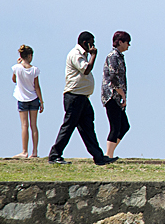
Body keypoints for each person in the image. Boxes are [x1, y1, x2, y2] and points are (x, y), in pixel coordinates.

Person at [48, 32, 118, 165]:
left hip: (82, 97)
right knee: (69, 126)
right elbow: (85, 70)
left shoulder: (82, 55)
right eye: (92, 42)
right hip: (74, 96)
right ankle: (55, 155)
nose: (94, 45)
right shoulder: (76, 54)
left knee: (88, 127)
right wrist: (93, 55)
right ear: (85, 43)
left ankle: (98, 156)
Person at [11, 45, 44, 158]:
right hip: (33, 98)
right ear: (30, 56)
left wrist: (18, 64)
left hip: (22, 98)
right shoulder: (34, 70)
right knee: (34, 125)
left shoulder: (17, 68)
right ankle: (34, 152)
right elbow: (37, 86)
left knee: (24, 125)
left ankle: (24, 151)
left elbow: (14, 80)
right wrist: (41, 101)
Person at [102, 31, 131, 158]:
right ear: (120, 42)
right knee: (115, 126)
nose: (128, 45)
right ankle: (108, 155)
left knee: (124, 126)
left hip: (117, 96)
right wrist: (122, 94)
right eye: (127, 42)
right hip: (111, 95)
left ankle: (110, 153)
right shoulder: (113, 56)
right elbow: (113, 77)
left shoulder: (119, 56)